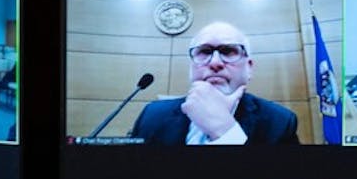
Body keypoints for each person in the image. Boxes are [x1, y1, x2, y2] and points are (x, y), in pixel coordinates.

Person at [128, 21, 299, 145]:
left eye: (229, 51)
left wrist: (226, 133)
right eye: (204, 51)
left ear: (249, 68)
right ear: (191, 67)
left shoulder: (279, 122)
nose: (215, 62)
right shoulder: (152, 115)